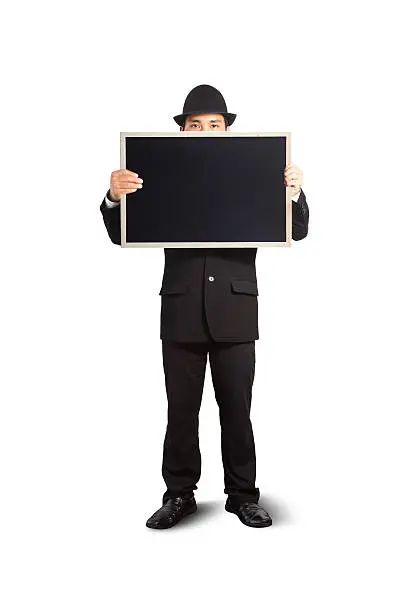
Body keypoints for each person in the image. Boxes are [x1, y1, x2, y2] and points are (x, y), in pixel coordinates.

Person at [100, 84, 309, 529]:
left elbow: (299, 230)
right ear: (181, 131)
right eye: (195, 125)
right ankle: (179, 495)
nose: (205, 131)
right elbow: (121, 234)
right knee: (181, 410)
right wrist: (115, 197)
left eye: (214, 125)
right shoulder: (161, 175)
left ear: (228, 130)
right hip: (180, 311)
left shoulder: (255, 173)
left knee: (237, 408)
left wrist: (291, 193)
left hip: (235, 311)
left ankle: (242, 496)